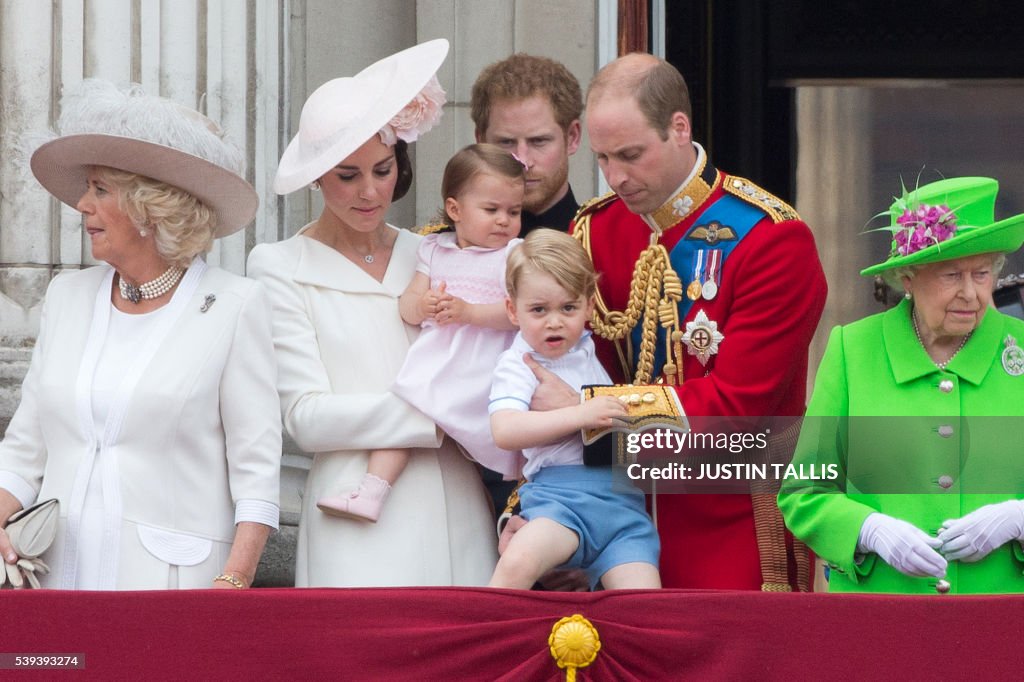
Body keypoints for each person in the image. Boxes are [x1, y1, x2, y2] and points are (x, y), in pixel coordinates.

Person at [542, 53, 827, 591]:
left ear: (679, 128)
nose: (616, 177)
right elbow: (556, 368)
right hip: (609, 523)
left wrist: (585, 409)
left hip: (731, 523)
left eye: (631, 155)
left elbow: (737, 408)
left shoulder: (770, 238)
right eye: (603, 159)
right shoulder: (594, 231)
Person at [0, 79, 281, 590]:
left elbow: (256, 468)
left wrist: (235, 580)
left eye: (100, 189)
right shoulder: (68, 298)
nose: (82, 205)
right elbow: (24, 449)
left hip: (174, 582)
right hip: (58, 574)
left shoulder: (235, 306)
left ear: (151, 209)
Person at [246, 40, 497, 587]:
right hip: (354, 515)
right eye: (346, 175)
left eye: (383, 170)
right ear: (316, 177)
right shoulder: (279, 266)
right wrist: (439, 417)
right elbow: (306, 418)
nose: (369, 191)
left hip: (458, 506)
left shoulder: (430, 252)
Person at [779, 176, 1024, 594]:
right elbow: (804, 491)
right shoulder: (852, 350)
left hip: (1002, 622)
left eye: (982, 274)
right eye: (951, 275)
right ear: (907, 278)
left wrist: (1018, 518)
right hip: (880, 623)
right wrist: (867, 529)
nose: (971, 293)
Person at [317, 143, 525, 521]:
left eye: (514, 211)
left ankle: (524, 510)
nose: (504, 221)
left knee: (517, 440)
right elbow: (408, 302)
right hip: (442, 359)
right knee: (407, 410)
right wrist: (422, 305)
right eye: (491, 210)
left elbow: (520, 314)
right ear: (455, 209)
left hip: (488, 367)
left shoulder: (515, 255)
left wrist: (469, 312)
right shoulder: (434, 249)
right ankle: (373, 490)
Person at [489, 229, 661, 589]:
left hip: (623, 509)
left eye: (568, 308)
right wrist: (580, 414)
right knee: (518, 562)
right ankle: (482, 639)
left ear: (587, 305)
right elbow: (504, 430)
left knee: (645, 604)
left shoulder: (588, 347)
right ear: (512, 310)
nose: (554, 321)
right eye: (539, 310)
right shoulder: (518, 362)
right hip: (559, 502)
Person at [471, 53, 583, 235]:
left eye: (538, 141)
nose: (522, 160)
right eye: (506, 142)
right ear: (481, 141)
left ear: (572, 137)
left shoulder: (606, 247)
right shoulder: (441, 248)